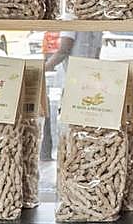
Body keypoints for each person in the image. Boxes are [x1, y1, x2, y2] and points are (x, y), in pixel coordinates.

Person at [40, 30, 104, 161]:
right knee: (88, 128)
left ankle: (72, 160)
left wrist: (44, 67)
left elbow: (63, 50)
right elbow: (97, 52)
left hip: (74, 82)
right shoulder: (97, 24)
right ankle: (85, 159)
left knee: (71, 129)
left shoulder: (70, 19)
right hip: (91, 82)